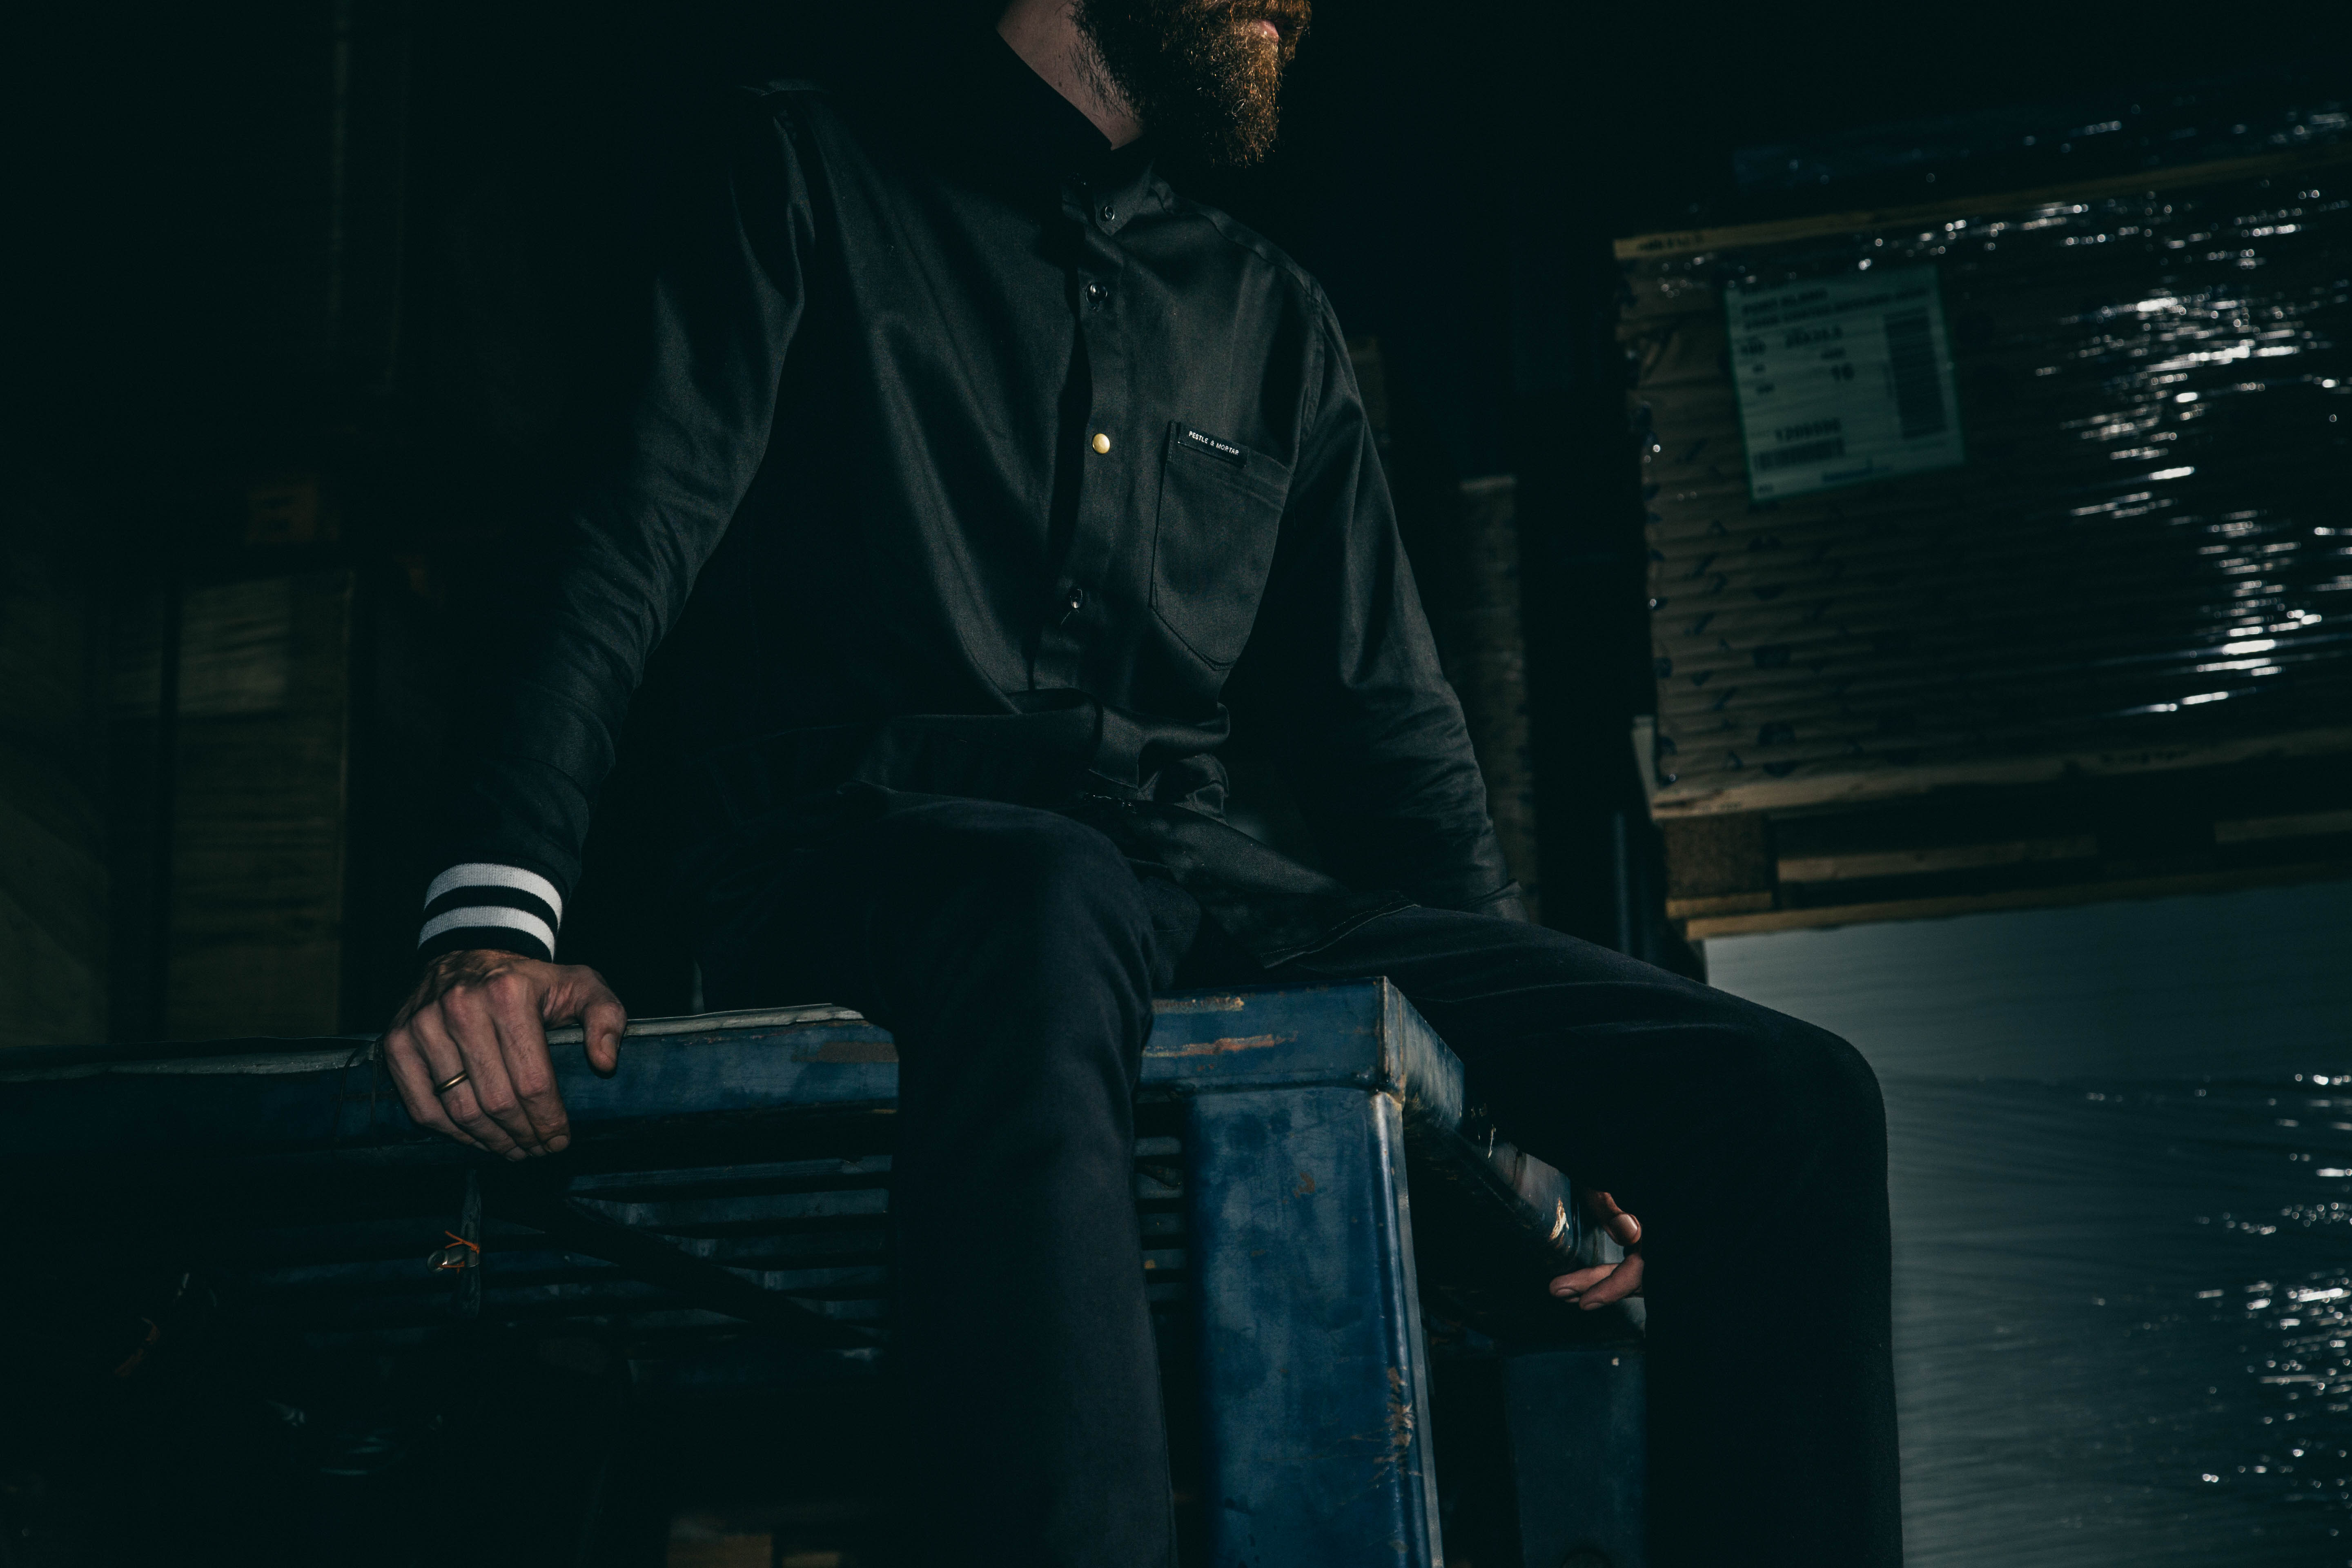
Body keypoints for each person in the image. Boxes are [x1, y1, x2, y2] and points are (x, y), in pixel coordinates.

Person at [382, 2, 1900, 1562]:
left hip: (1181, 883)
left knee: (1788, 1102)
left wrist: (1528, 1093)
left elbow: (1393, 727)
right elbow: (620, 542)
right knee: (1050, 893)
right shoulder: (799, 170)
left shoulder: (1269, 316)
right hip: (862, 855)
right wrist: (492, 916)